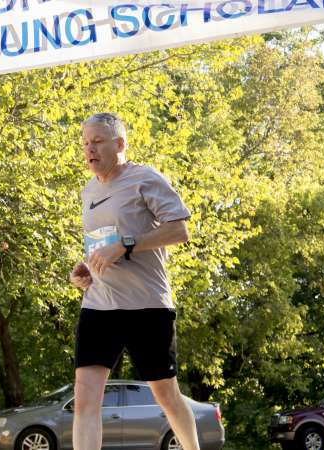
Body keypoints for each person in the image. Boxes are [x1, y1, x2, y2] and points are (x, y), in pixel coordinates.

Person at [70, 112, 200, 450]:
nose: (90, 149)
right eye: (85, 143)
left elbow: (180, 230)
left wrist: (126, 245)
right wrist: (86, 268)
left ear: (120, 144)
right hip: (99, 305)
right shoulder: (87, 192)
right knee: (85, 402)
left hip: (147, 306)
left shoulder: (145, 178)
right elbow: (102, 244)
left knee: (166, 395)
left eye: (97, 141)